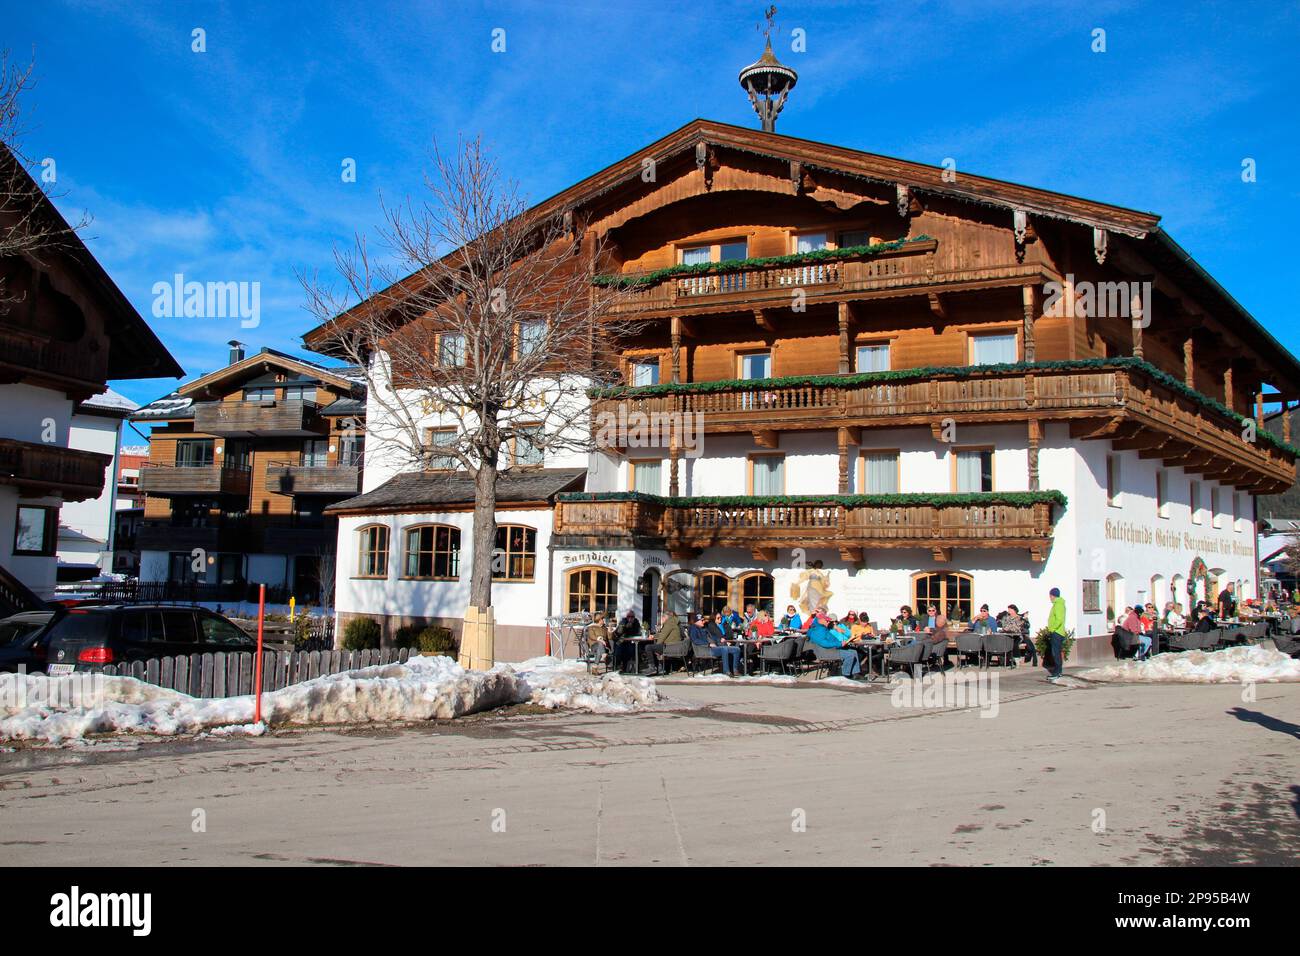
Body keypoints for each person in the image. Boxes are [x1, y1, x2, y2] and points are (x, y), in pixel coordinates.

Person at [801, 606, 862, 679]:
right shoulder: (818, 630)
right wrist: (839, 644)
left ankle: (855, 674)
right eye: (826, 620)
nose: (828, 622)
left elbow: (832, 638)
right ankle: (846, 676)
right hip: (825, 652)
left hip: (830, 649)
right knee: (850, 655)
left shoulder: (823, 628)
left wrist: (840, 642)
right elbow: (824, 643)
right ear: (820, 620)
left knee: (853, 652)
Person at [1044, 587, 1068, 681]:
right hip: (1058, 631)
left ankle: (1057, 673)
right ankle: (1058, 672)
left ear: (1052, 595)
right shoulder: (1059, 604)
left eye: (1050, 596)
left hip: (1057, 632)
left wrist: (1052, 629)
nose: (1050, 598)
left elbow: (1059, 619)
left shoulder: (1058, 605)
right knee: (1056, 652)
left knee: (1056, 653)